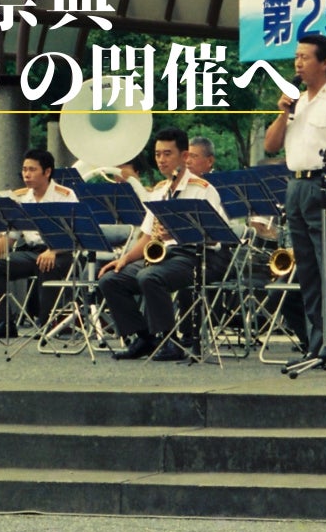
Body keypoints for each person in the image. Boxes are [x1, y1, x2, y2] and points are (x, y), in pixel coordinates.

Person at [263, 34, 326, 370]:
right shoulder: (297, 101)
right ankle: (316, 343)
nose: (298, 63)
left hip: (325, 185)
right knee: (306, 270)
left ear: (324, 62)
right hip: (296, 185)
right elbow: (270, 146)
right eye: (296, 57)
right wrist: (283, 113)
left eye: (305, 57)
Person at [97, 127, 230, 361]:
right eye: (158, 154)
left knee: (150, 277)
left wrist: (179, 230)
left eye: (167, 154)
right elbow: (147, 236)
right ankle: (145, 338)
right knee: (111, 279)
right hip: (168, 256)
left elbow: (215, 236)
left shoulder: (203, 190)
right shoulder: (159, 191)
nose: (161, 160)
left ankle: (170, 341)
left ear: (184, 156)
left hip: (199, 256)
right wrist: (124, 259)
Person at [0, 149, 78, 338]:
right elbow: (13, 234)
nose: (26, 174)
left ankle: (46, 323)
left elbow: (74, 233)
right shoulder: (24, 198)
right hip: (32, 252)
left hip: (61, 252)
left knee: (47, 264)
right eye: (24, 169)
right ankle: (3, 323)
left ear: (47, 172)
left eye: (32, 169)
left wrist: (53, 250)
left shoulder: (65, 195)